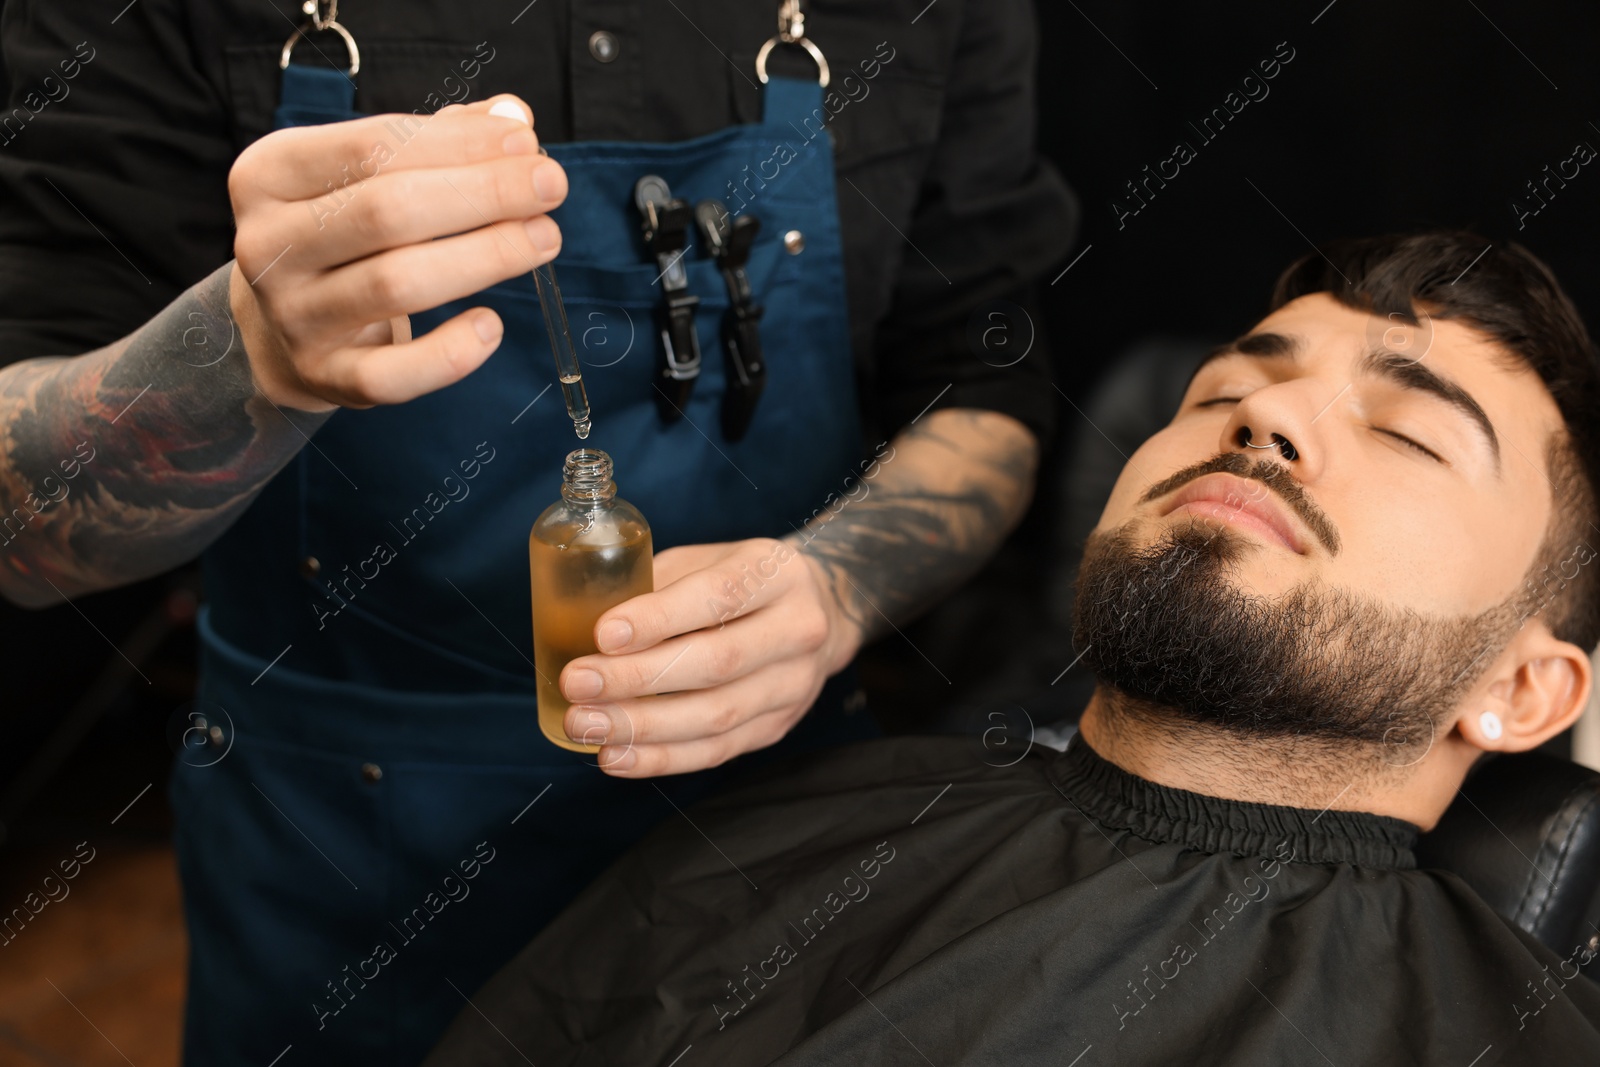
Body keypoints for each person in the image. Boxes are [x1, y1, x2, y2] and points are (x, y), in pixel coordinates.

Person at [0, 1, 1074, 1062]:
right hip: (334, 854)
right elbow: (23, 533)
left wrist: (838, 588)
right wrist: (241, 354)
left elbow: (983, 382)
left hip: (758, 840)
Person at [423, 232, 1600, 1066]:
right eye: (1221, 391)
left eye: (1407, 434)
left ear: (1522, 686)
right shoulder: (810, 822)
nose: (1262, 418)